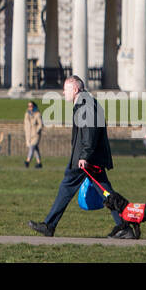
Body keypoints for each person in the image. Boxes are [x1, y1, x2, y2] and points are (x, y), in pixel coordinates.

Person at [28, 76, 126, 239]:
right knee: (105, 191)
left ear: (75, 90)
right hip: (88, 157)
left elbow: (89, 131)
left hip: (86, 159)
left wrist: (84, 155)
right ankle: (123, 226)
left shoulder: (85, 104)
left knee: (71, 187)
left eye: (65, 89)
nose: (63, 93)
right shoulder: (86, 102)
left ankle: (49, 225)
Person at [23, 100, 43, 168]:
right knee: (35, 149)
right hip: (29, 135)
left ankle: (27, 161)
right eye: (28, 106)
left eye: (31, 106)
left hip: (36, 135)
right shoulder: (27, 114)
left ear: (34, 106)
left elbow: (40, 124)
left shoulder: (37, 114)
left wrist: (37, 131)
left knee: (32, 147)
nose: (30, 107)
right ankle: (39, 163)